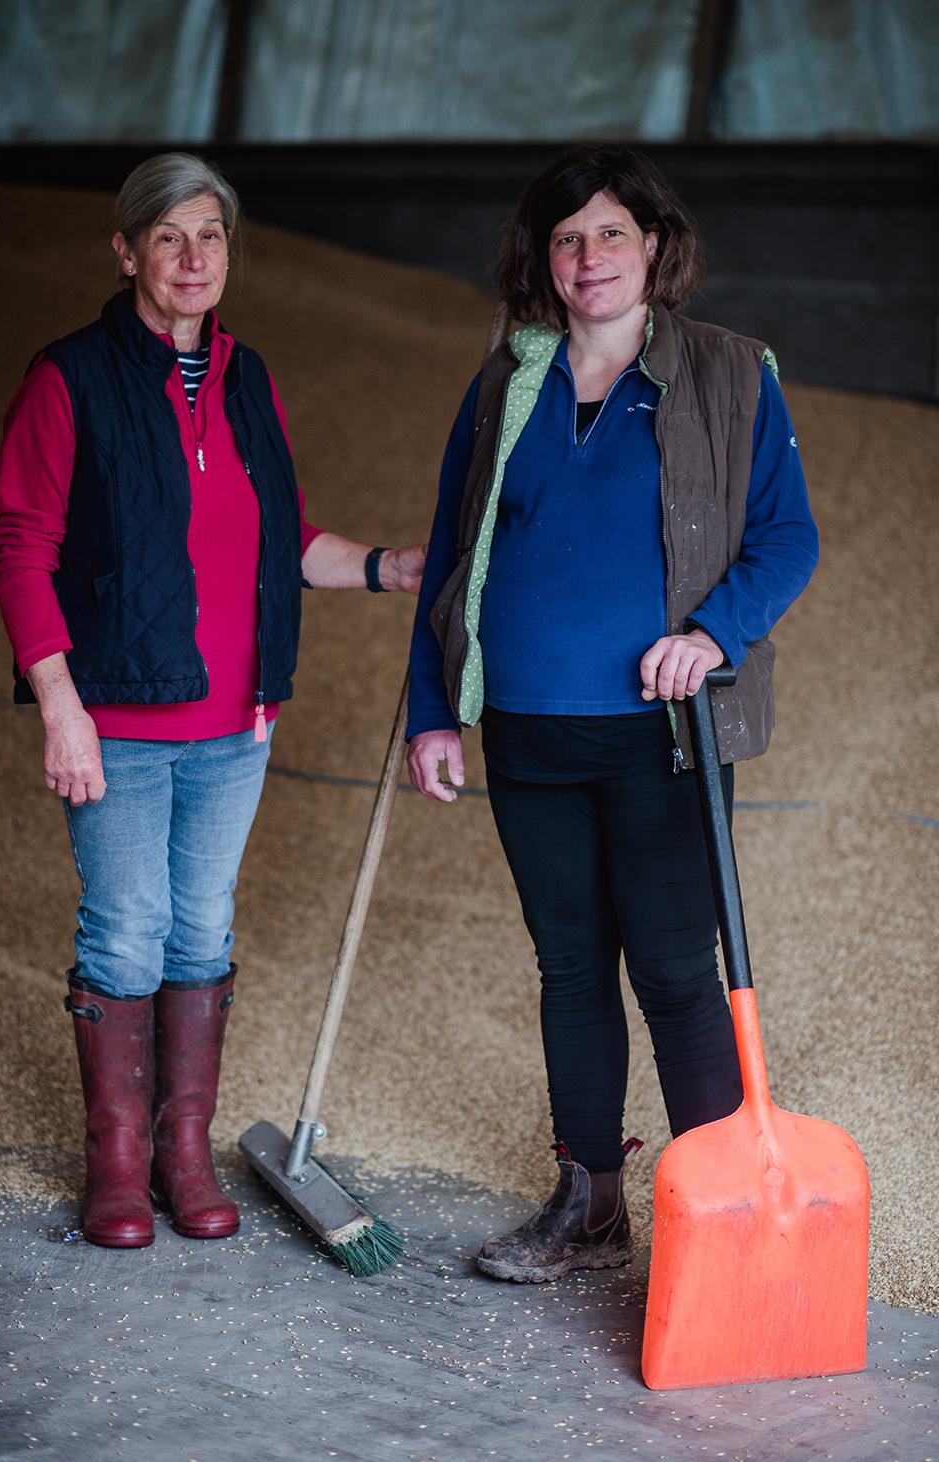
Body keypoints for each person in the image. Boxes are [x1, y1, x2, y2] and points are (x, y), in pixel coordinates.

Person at [0, 152, 424, 1249]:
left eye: (211, 237)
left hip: (238, 720)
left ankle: (188, 1153)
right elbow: (19, 546)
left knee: (201, 929)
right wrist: (59, 702)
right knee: (128, 934)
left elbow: (282, 539)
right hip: (121, 717)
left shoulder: (248, 377)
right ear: (126, 251)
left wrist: (385, 567)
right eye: (169, 237)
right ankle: (120, 1166)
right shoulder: (71, 377)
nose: (193, 258)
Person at [406, 144, 818, 1283]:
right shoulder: (506, 381)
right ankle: (588, 1204)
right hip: (527, 732)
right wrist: (433, 708)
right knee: (571, 966)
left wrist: (710, 634)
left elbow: (788, 537)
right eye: (567, 237)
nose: (590, 257)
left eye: (612, 234)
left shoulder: (732, 374)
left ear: (656, 246)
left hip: (662, 738)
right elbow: (454, 555)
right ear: (543, 259)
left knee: (678, 972)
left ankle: (726, 1227)